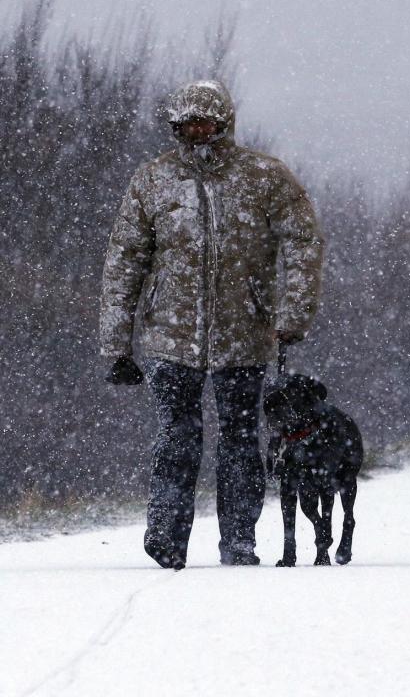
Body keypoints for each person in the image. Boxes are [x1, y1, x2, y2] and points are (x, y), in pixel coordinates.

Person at [99, 80, 323, 569]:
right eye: (186, 123)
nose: (195, 130)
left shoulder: (265, 178)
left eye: (204, 121)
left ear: (225, 122)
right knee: (176, 435)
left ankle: (239, 541)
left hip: (244, 335)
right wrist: (116, 345)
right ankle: (165, 536)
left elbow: (304, 242)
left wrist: (292, 313)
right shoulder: (153, 180)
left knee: (240, 439)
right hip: (167, 335)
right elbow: (124, 260)